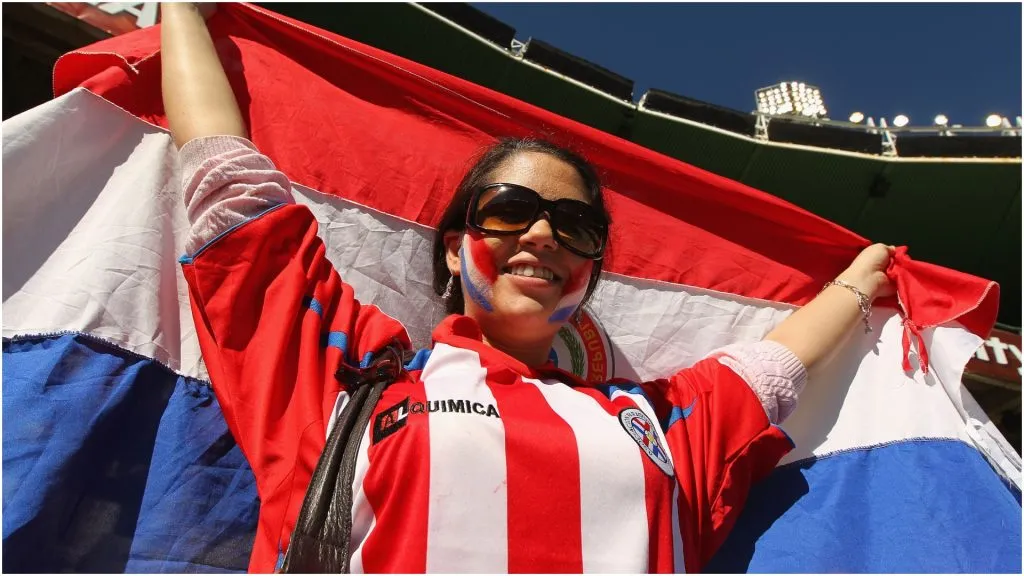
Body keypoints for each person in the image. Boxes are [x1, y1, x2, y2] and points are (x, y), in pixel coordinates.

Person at [162, 3, 895, 573]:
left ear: (589, 270)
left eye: (575, 226)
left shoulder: (667, 424)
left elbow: (775, 366)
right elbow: (235, 194)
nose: (542, 236)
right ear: (455, 250)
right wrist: (182, 12)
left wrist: (869, 278)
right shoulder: (349, 378)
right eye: (510, 211)